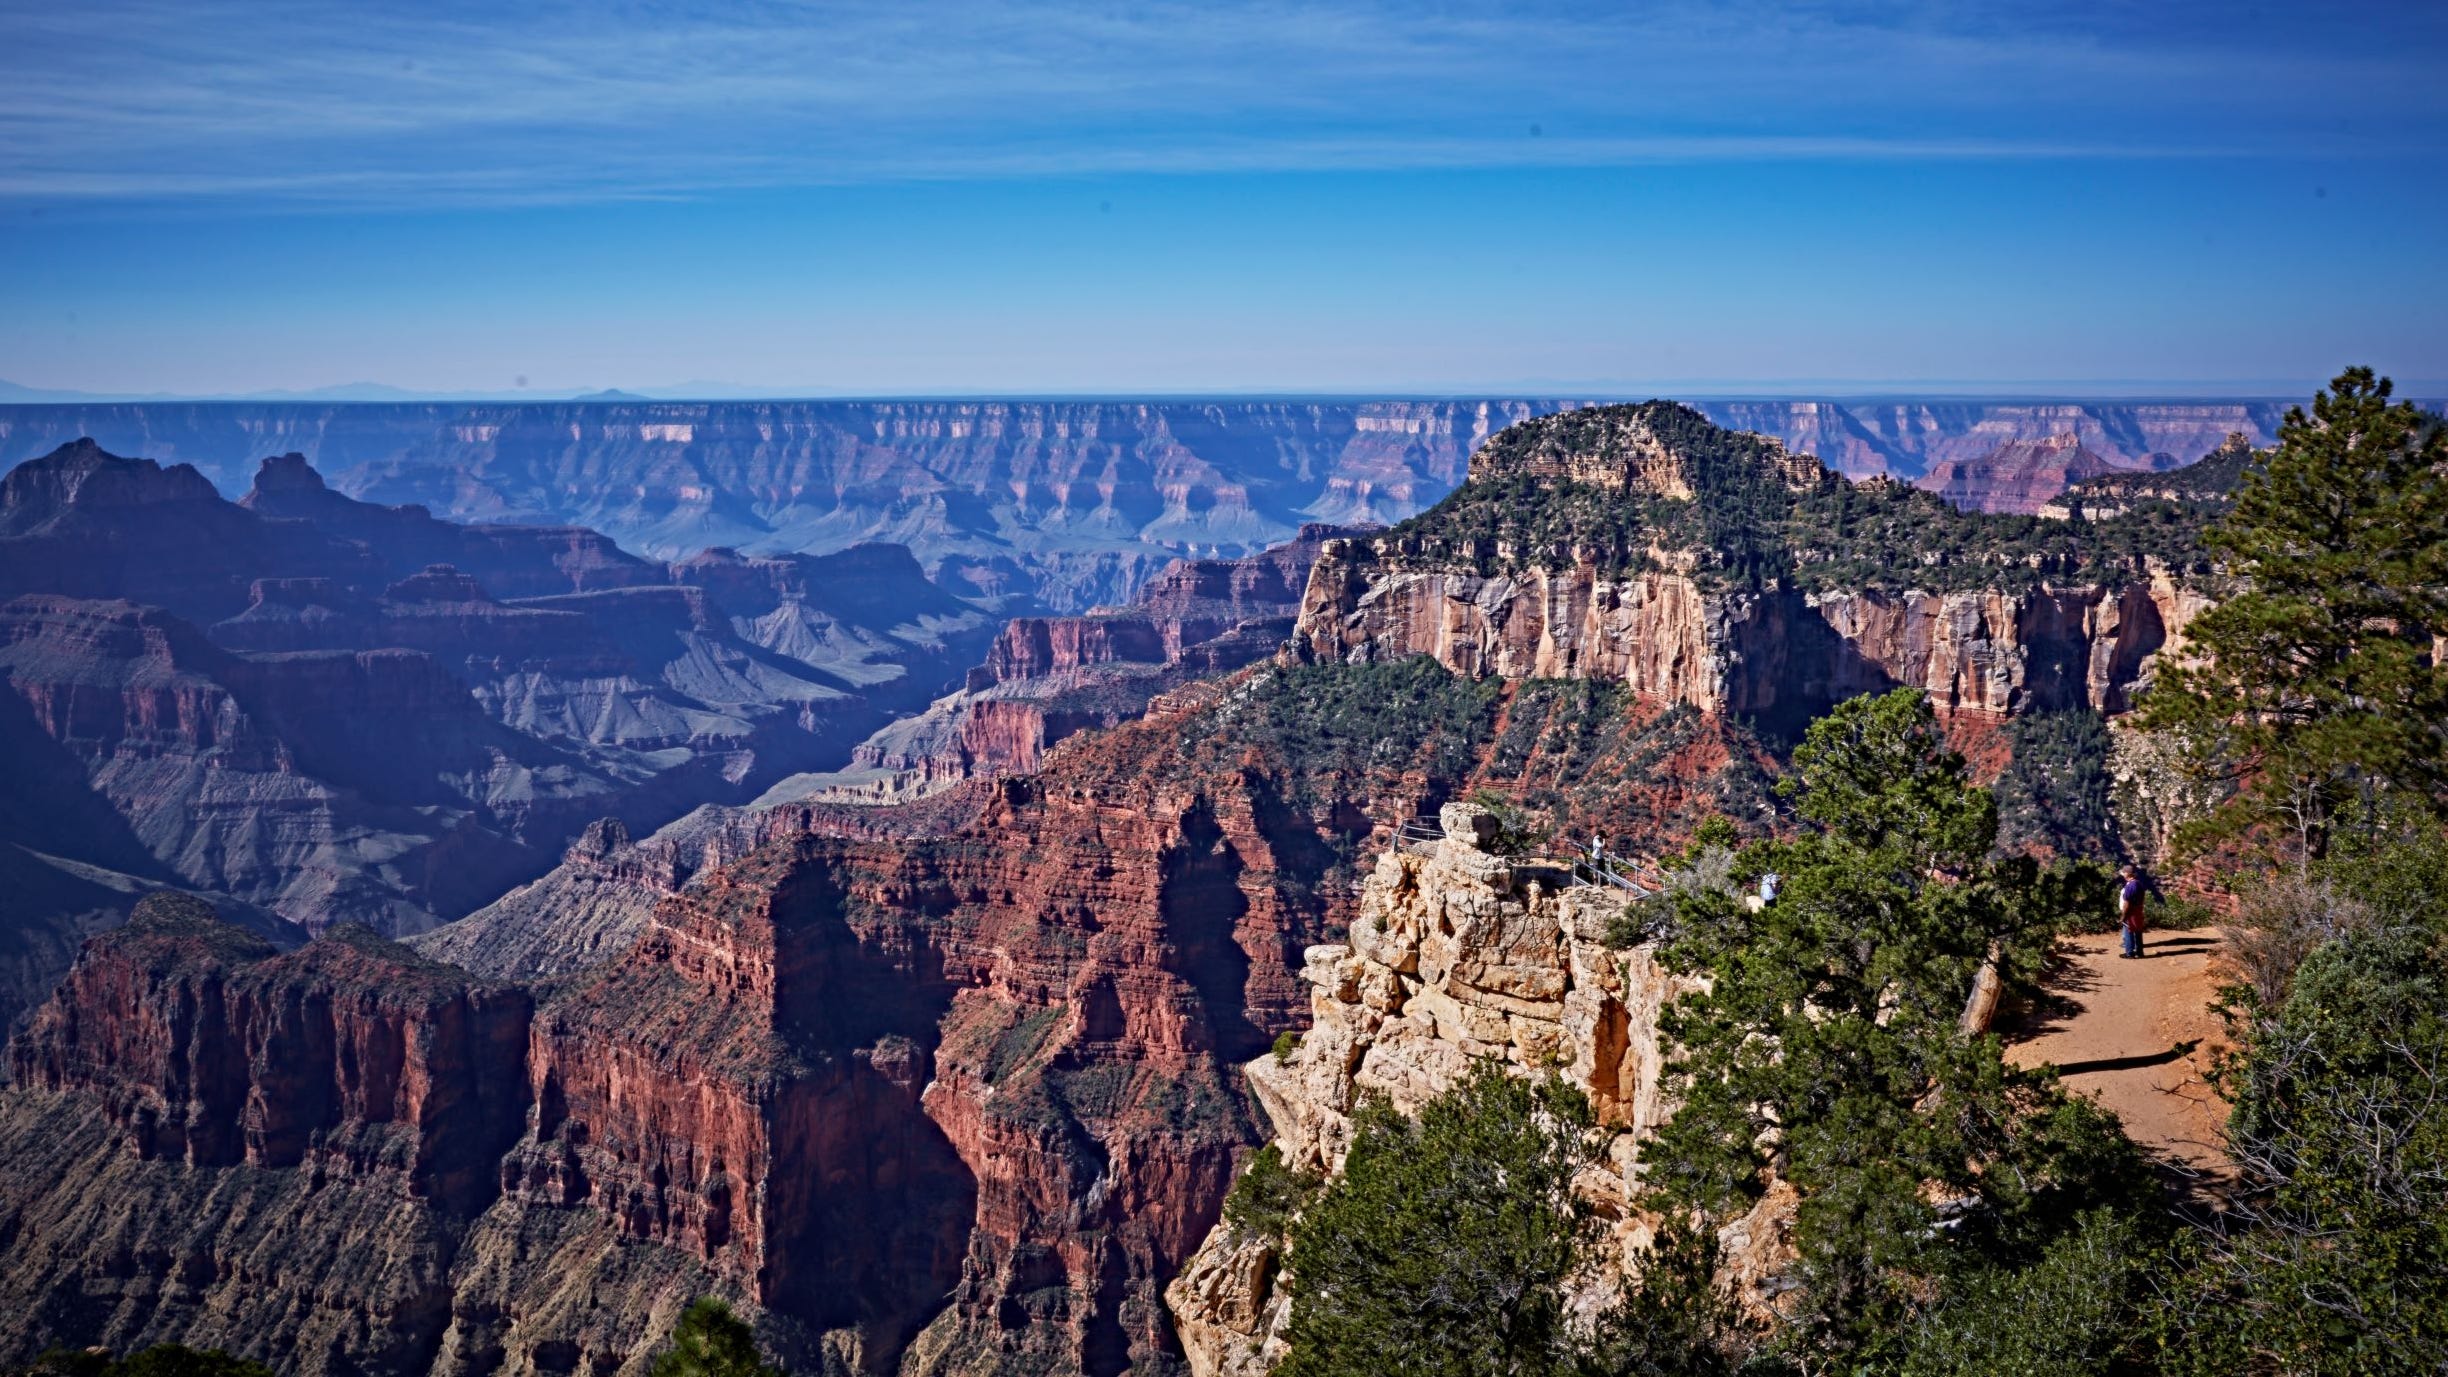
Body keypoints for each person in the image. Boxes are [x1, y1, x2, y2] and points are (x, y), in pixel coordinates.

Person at [2117, 864, 2153, 958]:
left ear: (2128, 874)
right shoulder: (2138, 884)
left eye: (2124, 873)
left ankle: (2129, 953)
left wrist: (2123, 916)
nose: (2123, 874)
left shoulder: (2130, 886)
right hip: (2138, 911)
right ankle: (2139, 952)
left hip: (2131, 912)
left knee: (2128, 931)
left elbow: (2127, 903)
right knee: (2138, 931)